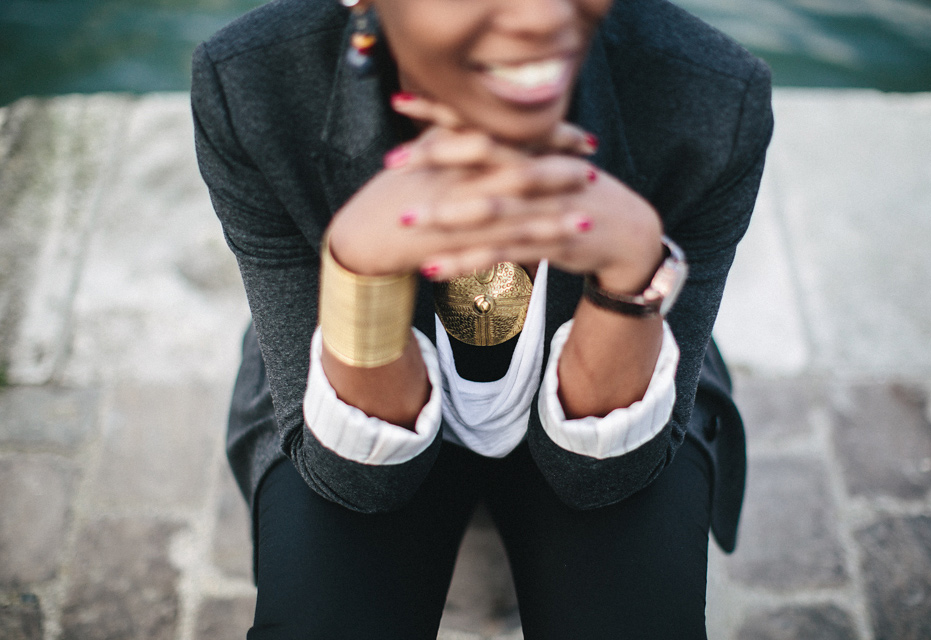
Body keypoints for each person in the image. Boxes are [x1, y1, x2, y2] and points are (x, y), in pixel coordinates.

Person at [191, 0, 773, 636]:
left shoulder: (716, 95)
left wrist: (632, 275)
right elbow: (354, 482)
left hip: (623, 380)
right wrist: (360, 271)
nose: (544, 17)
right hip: (346, 386)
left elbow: (604, 477)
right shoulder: (253, 83)